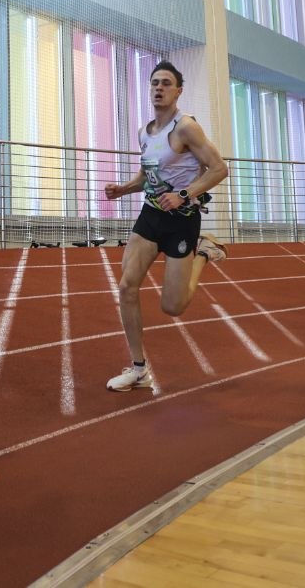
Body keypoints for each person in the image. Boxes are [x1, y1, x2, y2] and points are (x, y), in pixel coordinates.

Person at [103, 61, 229, 392]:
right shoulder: (145, 132)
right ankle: (138, 368)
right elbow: (149, 176)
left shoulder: (186, 127)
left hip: (182, 221)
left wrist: (184, 194)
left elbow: (218, 169)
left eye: (166, 83)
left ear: (178, 91)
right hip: (150, 216)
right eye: (154, 83)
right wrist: (125, 189)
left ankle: (202, 252)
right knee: (127, 286)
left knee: (172, 306)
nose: (159, 88)